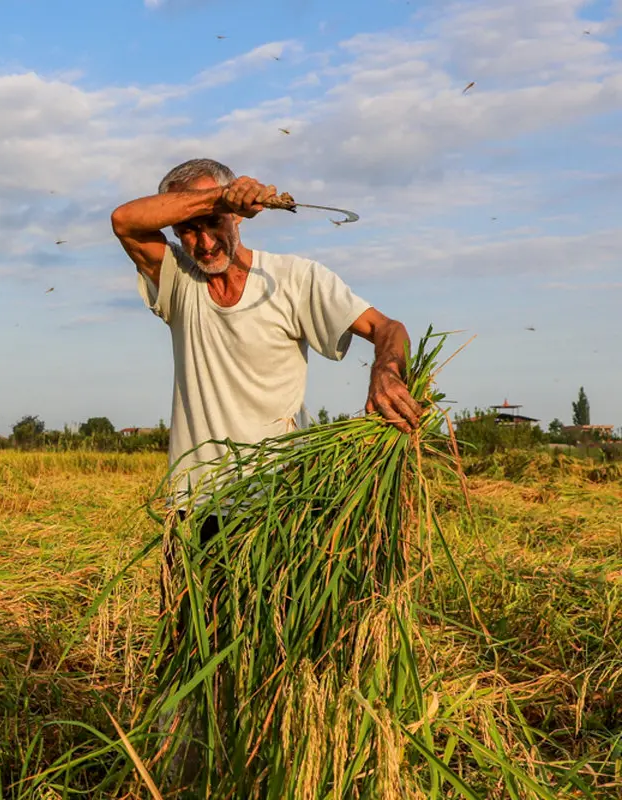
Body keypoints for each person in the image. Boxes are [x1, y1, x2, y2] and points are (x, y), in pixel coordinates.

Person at [111, 158, 424, 787]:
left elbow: (389, 329)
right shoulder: (176, 284)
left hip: (280, 515)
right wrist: (215, 198)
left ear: (240, 219)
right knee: (186, 655)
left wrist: (385, 370)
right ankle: (179, 779)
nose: (203, 242)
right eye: (190, 227)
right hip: (194, 513)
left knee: (275, 654)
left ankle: (272, 767)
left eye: (214, 223)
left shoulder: (296, 281)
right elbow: (124, 220)